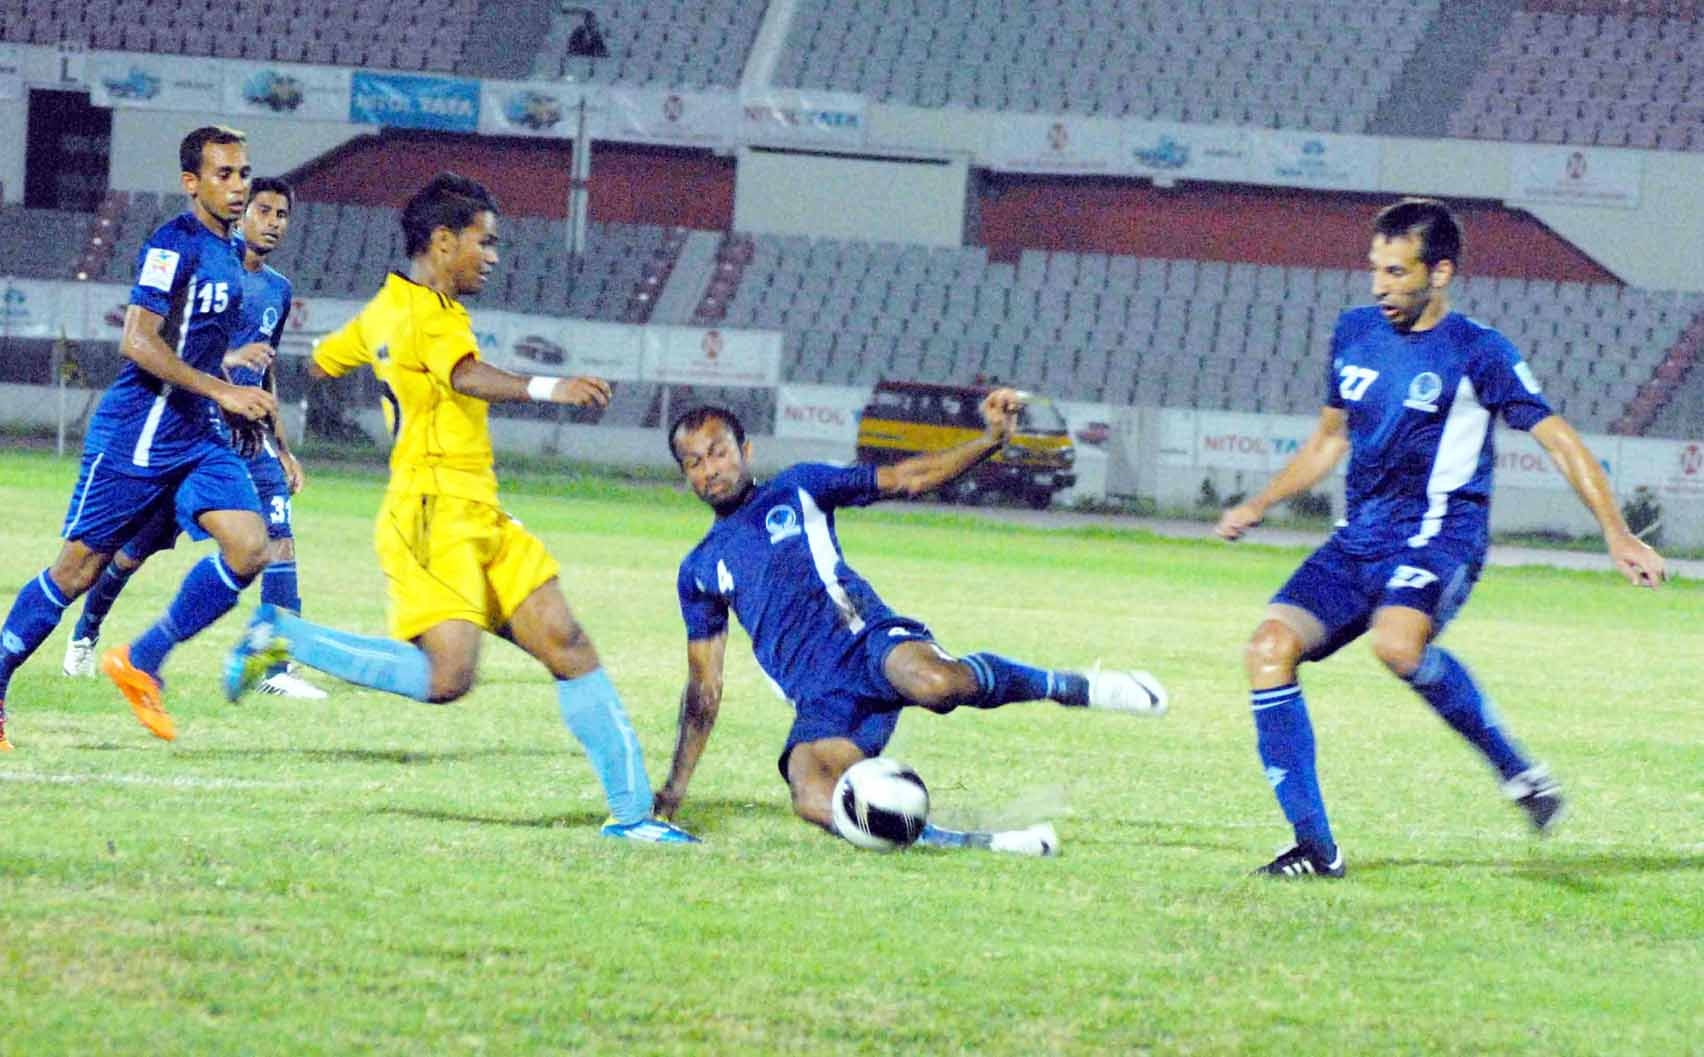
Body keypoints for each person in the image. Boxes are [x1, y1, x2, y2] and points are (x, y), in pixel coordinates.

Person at [220, 172, 696, 844]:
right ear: (443, 242)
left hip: (478, 507)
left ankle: (632, 816)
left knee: (567, 641)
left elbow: (327, 360)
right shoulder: (424, 316)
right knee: (448, 678)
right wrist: (550, 386)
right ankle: (280, 636)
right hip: (430, 510)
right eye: (485, 241)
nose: (493, 256)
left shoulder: (390, 305)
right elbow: (465, 374)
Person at [1215, 197, 1667, 879]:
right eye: (1375, 269)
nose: (1379, 286)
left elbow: (1558, 437)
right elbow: (1327, 441)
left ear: (1442, 272)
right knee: (1267, 650)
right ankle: (1315, 846)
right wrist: (1258, 503)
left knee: (1397, 644)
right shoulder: (1353, 332)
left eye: (1398, 272)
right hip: (1358, 538)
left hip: (1437, 535)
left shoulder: (1478, 351)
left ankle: (1517, 770)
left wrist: (1617, 532)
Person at [654, 398, 1170, 854]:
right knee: (811, 796)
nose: (710, 470)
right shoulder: (698, 569)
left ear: (745, 449)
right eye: (694, 462)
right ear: (685, 475)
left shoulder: (798, 488)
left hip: (869, 643)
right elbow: (705, 687)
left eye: (718, 452)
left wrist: (991, 440)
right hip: (821, 699)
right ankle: (981, 844)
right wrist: (674, 789)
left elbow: (908, 478)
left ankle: (1077, 686)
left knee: (938, 685)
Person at [0, 125, 278, 748]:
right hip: (139, 432)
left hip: (195, 434)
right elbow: (137, 340)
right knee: (77, 571)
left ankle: (142, 659)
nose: (238, 186)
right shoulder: (170, 244)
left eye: (244, 174)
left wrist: (227, 371)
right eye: (224, 175)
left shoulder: (232, 250)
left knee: (249, 546)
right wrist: (221, 390)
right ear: (192, 183)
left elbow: (195, 340)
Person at [61, 176, 326, 700]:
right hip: (188, 429)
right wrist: (229, 365)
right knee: (132, 549)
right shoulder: (207, 266)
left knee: (278, 542)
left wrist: (284, 448)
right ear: (240, 213)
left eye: (282, 215)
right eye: (264, 211)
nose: (273, 222)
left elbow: (265, 370)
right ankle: (87, 631)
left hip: (248, 440)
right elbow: (174, 348)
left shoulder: (278, 288)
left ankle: (275, 668)